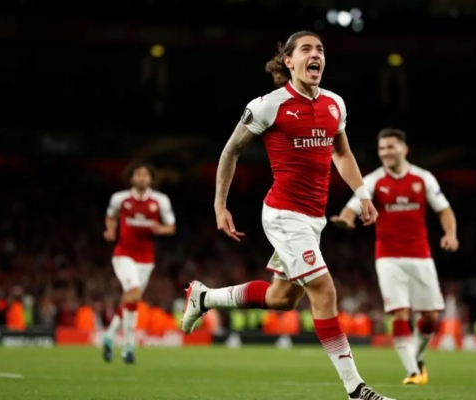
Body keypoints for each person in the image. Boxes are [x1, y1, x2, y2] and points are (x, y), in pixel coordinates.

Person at [181, 31, 395, 400]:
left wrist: (363, 195)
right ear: (289, 61)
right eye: (306, 49)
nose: (316, 55)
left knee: (282, 298)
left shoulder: (335, 105)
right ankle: (356, 389)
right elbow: (230, 151)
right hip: (283, 215)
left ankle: (204, 298)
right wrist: (220, 204)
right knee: (324, 290)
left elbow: (341, 153)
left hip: (314, 220)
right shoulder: (268, 105)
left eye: (320, 49)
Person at [330, 128, 459, 385]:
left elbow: (444, 209)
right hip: (388, 257)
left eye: (390, 147)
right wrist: (346, 219)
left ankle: (418, 357)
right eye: (381, 148)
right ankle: (413, 372)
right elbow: (352, 208)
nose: (385, 152)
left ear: (404, 149)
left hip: (421, 256)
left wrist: (450, 234)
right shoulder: (373, 180)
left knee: (430, 317)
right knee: (399, 313)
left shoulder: (423, 178)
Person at [102, 161, 176, 364]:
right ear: (131, 178)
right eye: (138, 174)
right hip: (123, 255)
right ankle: (128, 345)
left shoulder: (160, 200)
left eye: (145, 175)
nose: (142, 177)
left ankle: (109, 336)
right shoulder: (120, 198)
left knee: (131, 298)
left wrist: (160, 229)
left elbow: (171, 227)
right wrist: (111, 230)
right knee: (133, 292)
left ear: (151, 179)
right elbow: (110, 216)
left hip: (146, 259)